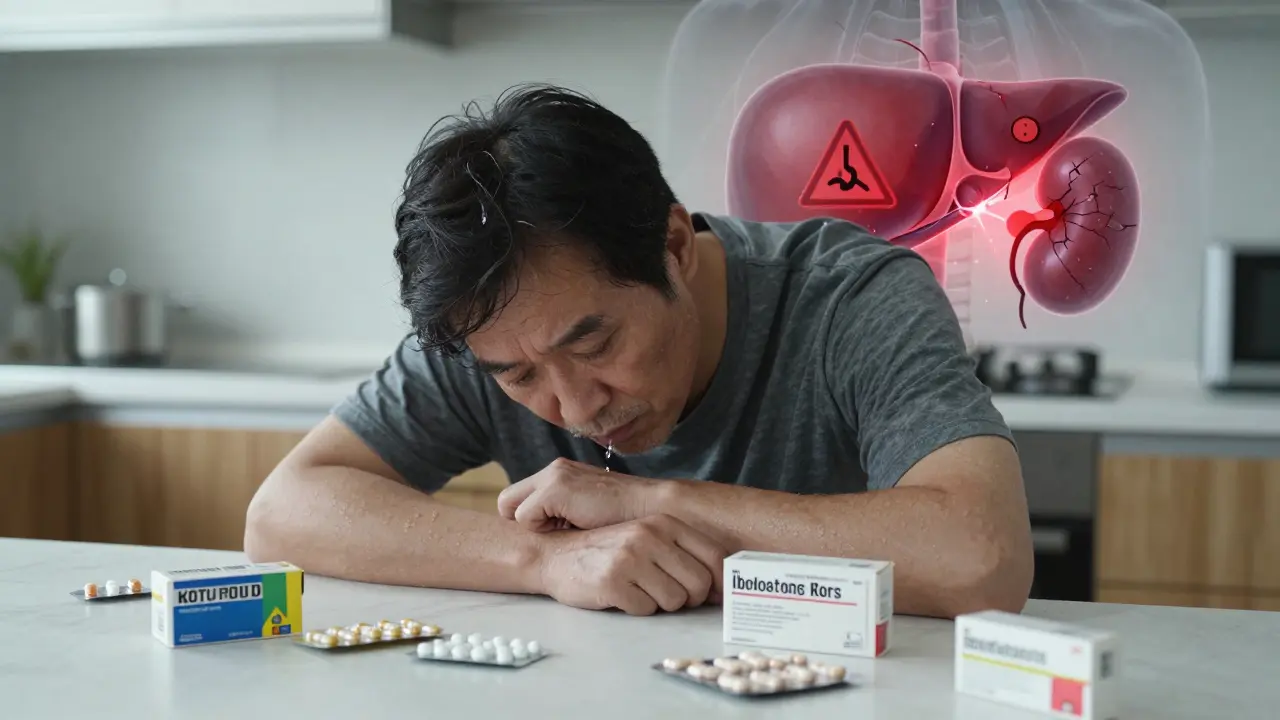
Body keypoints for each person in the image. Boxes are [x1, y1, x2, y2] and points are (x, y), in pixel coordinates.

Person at [244, 83, 1034, 620]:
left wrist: (656, 504)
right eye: (519, 376)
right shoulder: (490, 325)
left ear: (673, 244)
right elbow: (283, 515)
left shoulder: (851, 297)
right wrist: (542, 562)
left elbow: (981, 556)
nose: (577, 407)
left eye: (595, 342)